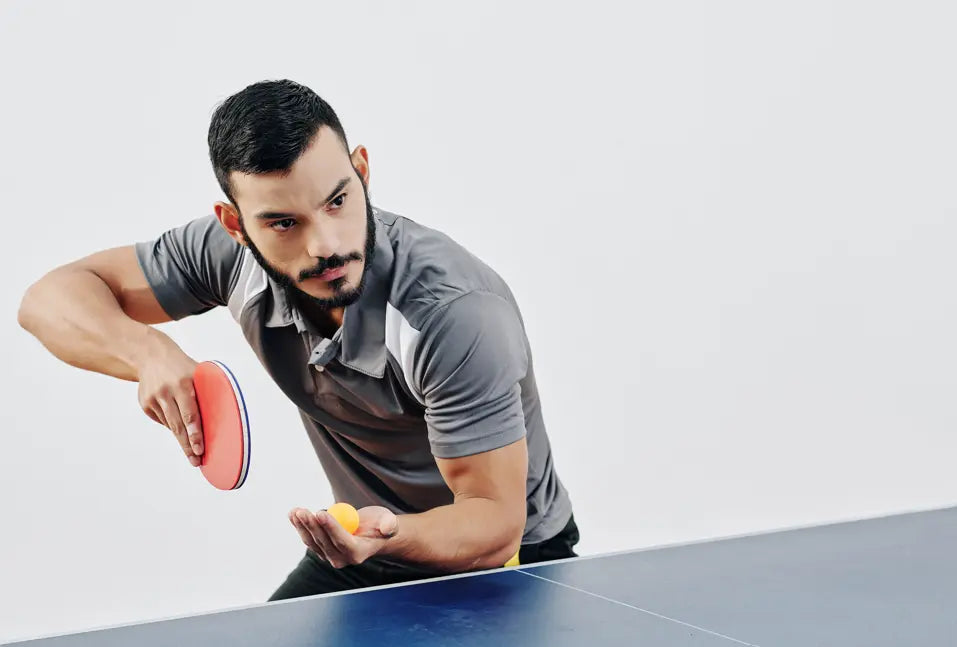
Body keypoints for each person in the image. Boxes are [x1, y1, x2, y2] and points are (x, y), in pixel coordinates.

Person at [17, 79, 578, 600]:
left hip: (509, 562)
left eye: (337, 200)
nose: (325, 247)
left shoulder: (450, 313)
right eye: (284, 224)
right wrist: (146, 353)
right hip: (363, 543)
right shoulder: (229, 257)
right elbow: (48, 299)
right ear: (235, 226)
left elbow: (494, 523)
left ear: (361, 171)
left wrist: (386, 534)